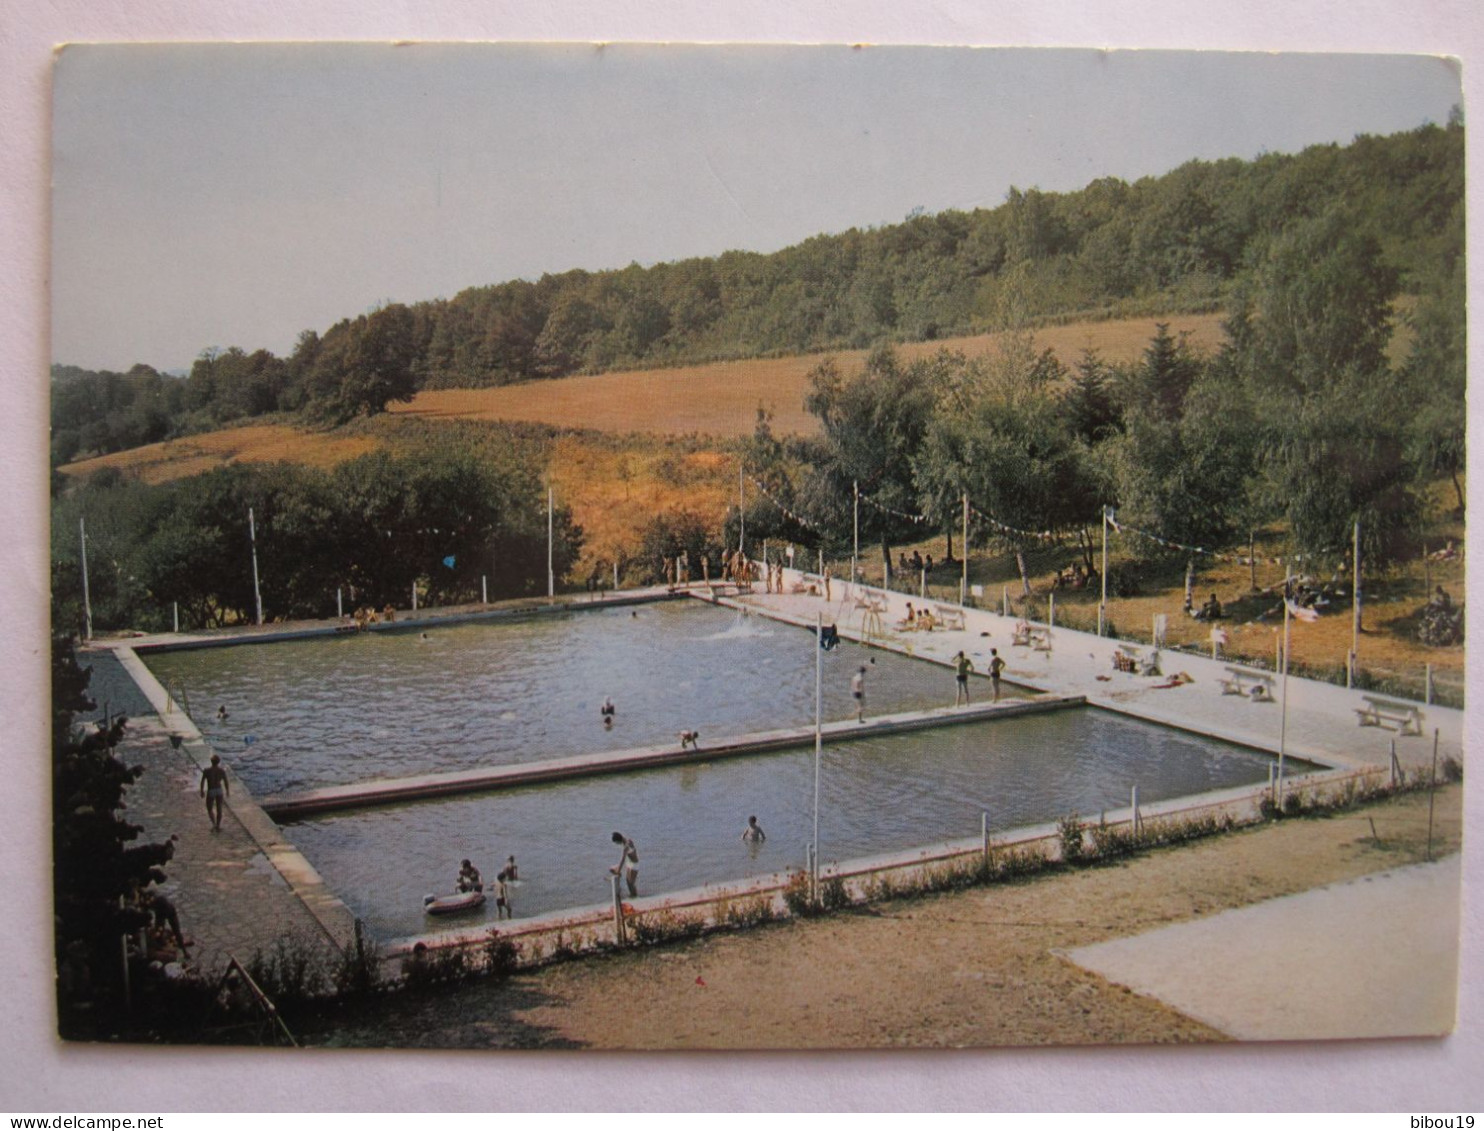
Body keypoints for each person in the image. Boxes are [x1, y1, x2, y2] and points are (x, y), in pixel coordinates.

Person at [199, 753, 229, 831]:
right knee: (219, 808)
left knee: (209, 808)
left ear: (211, 761)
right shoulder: (221, 771)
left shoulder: (207, 771)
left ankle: (214, 824)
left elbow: (202, 781)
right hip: (219, 790)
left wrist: (202, 790)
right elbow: (226, 781)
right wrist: (227, 791)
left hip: (211, 790)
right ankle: (218, 825)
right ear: (218, 762)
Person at [610, 832, 639, 897]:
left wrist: (618, 870)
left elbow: (622, 860)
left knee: (630, 883)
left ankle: (634, 895)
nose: (617, 844)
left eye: (616, 842)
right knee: (628, 881)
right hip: (629, 863)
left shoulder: (626, 846)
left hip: (634, 864)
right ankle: (633, 895)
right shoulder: (626, 840)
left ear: (618, 840)